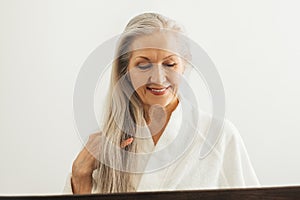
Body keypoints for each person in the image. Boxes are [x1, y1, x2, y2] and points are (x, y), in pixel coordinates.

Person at [63, 12, 260, 194]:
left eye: (169, 64)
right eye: (143, 65)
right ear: (126, 71)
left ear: (185, 64)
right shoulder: (105, 147)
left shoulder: (219, 137)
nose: (158, 78)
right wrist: (80, 176)